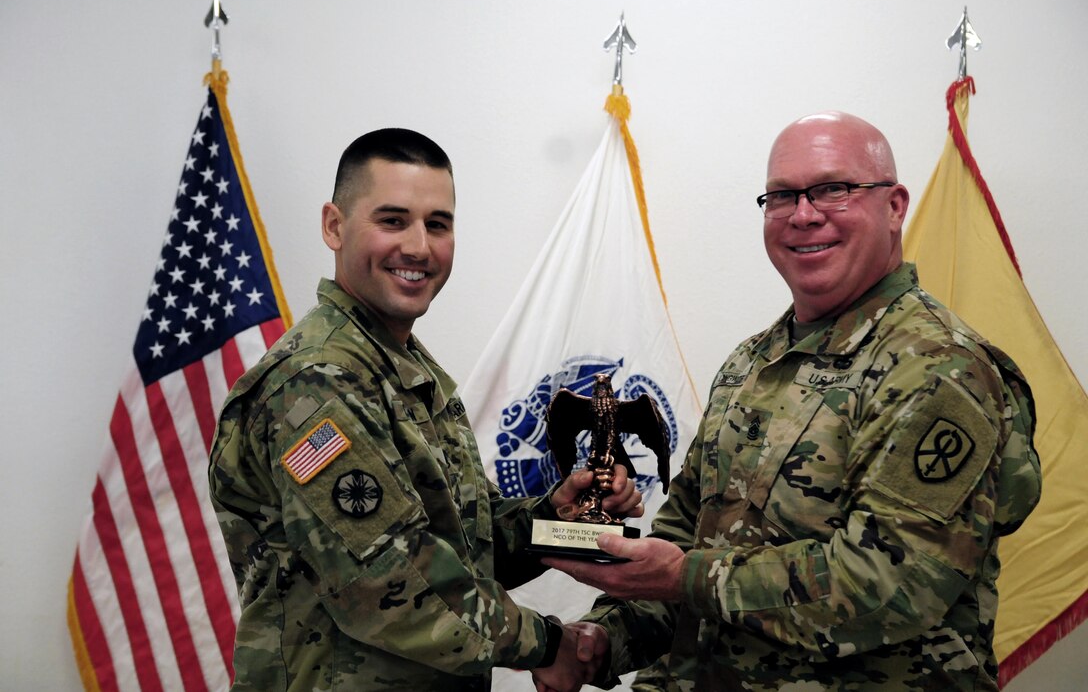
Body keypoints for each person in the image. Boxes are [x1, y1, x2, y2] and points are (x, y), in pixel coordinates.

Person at [541, 112, 1042, 691]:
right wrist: (602, 640)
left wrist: (686, 577)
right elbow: (683, 539)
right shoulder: (752, 361)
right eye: (782, 196)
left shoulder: (939, 368)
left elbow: (888, 584)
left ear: (895, 206)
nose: (804, 214)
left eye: (833, 188)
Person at [208, 128, 632, 691]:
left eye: (437, 224)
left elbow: (456, 548)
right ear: (334, 225)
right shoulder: (318, 382)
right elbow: (388, 583)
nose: (418, 246)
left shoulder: (399, 366)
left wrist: (556, 522)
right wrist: (548, 646)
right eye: (392, 220)